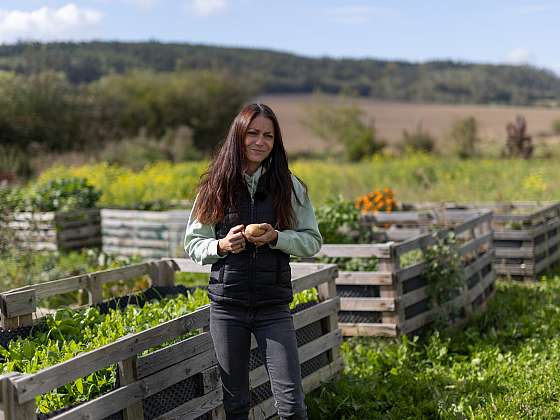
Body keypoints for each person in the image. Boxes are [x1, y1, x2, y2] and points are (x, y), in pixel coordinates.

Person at [184, 103, 322, 420]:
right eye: (253, 133)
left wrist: (277, 237)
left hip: (273, 307)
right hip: (227, 308)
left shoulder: (289, 186)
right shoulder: (214, 186)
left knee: (291, 406)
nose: (260, 142)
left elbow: (312, 240)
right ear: (239, 136)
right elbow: (193, 243)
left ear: (276, 142)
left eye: (268, 136)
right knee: (235, 406)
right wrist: (221, 244)